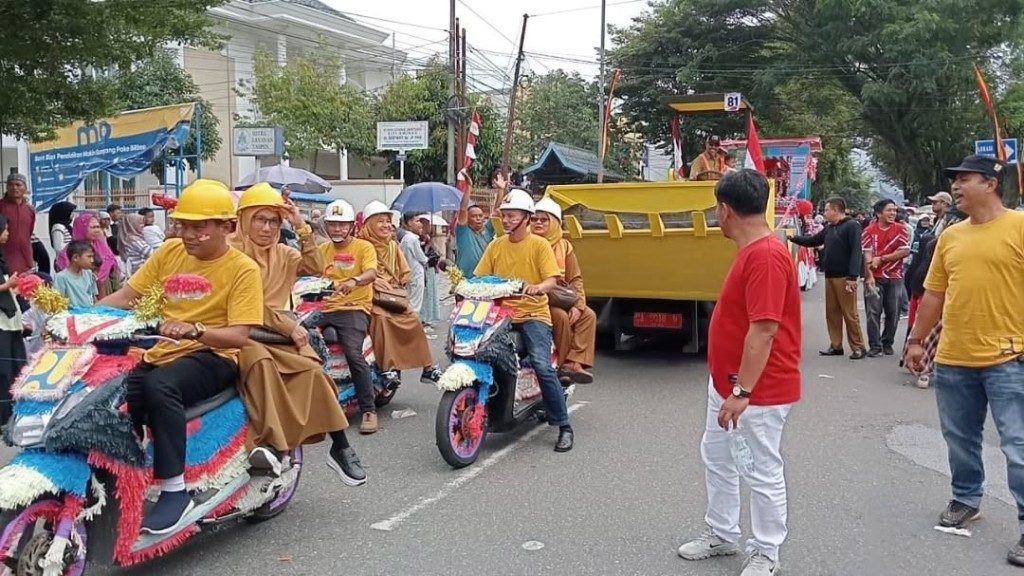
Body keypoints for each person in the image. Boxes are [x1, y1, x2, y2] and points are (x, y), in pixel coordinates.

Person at [98, 179, 264, 535]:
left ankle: (175, 490)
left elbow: (239, 336)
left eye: (199, 227)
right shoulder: (169, 252)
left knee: (160, 387)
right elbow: (127, 296)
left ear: (228, 227)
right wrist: (79, 317)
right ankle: (125, 471)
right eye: (183, 225)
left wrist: (195, 330)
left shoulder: (243, 269)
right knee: (111, 391)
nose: (187, 234)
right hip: (163, 351)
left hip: (214, 354)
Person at [677, 170, 801, 576]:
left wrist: (743, 391)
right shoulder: (754, 251)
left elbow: (764, 331)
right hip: (730, 385)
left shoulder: (765, 256)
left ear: (725, 210)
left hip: (756, 390)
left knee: (761, 470)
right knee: (718, 457)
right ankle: (722, 531)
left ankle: (767, 550)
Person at [903, 155, 1024, 567]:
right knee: (959, 439)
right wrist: (916, 341)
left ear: (991, 183)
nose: (956, 186)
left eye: (964, 179)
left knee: (1018, 445)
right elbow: (934, 294)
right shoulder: (951, 236)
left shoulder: (1019, 227)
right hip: (954, 357)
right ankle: (966, 498)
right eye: (954, 181)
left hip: (1010, 357)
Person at [230, 184, 365, 485]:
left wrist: (301, 225)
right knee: (261, 364)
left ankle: (341, 446)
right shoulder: (230, 253)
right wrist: (288, 326)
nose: (267, 228)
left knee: (315, 373)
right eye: (260, 219)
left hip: (278, 333)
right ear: (245, 219)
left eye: (274, 221)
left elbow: (316, 266)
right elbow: (247, 305)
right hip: (241, 332)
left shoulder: (283, 253)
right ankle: (270, 444)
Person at [474, 188, 574, 452]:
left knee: (542, 365)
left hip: (533, 314)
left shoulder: (539, 245)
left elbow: (552, 279)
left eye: (512, 215)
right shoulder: (496, 245)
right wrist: (464, 285)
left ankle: (564, 425)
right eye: (504, 215)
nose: (506, 220)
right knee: (476, 352)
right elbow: (480, 276)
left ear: (526, 217)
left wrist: (539, 287)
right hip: (499, 314)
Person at [358, 201, 441, 389]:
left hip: (391, 295)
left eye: (388, 221)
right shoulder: (360, 246)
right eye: (380, 221)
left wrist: (394, 284)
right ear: (369, 224)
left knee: (413, 319)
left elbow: (404, 272)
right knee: (380, 320)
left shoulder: (392, 245)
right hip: (369, 295)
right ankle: (388, 368)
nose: (386, 226)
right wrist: (372, 281)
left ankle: (428, 368)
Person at [317, 200, 381, 434]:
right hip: (322, 307)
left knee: (353, 354)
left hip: (354, 308)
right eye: (332, 224)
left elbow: (371, 273)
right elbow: (308, 273)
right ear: (326, 226)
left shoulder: (364, 247)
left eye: (342, 225)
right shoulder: (322, 250)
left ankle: (369, 410)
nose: (337, 229)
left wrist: (355, 281)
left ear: (352, 226)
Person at [789, 197, 866, 359]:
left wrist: (853, 276)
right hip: (830, 275)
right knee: (832, 313)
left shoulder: (852, 226)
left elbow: (856, 252)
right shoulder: (829, 228)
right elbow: (814, 241)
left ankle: (858, 346)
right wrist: (793, 238)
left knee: (850, 313)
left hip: (845, 276)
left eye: (827, 210)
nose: (825, 213)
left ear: (836, 210)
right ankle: (836, 344)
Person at [532, 198, 597, 384]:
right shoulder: (529, 243)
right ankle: (561, 367)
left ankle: (574, 362)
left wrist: (578, 305)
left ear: (554, 223)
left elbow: (575, 279)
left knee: (588, 315)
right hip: (538, 299)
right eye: (534, 219)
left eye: (544, 220)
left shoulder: (565, 246)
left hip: (560, 296)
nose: (538, 223)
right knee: (561, 317)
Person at [861, 198, 910, 357]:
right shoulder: (868, 231)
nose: (893, 213)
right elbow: (867, 254)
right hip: (875, 277)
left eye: (894, 210)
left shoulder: (901, 229)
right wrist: (869, 277)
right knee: (872, 312)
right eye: (889, 210)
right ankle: (875, 345)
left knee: (893, 312)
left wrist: (882, 259)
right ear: (878, 213)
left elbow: (904, 251)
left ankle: (887, 342)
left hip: (895, 277)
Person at [0, 216, 26, 429]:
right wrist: (6, 285)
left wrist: (14, 287)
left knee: (16, 367)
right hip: (1, 322)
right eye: (5, 229)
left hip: (9, 317)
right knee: (3, 370)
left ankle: (14, 414)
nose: (7, 233)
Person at [455, 168, 505, 277]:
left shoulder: (488, 230)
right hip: (465, 279)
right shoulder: (463, 232)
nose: (478, 218)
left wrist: (501, 190)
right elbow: (463, 209)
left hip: (485, 278)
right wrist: (469, 187)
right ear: (467, 219)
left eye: (480, 216)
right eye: (474, 216)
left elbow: (497, 210)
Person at [56, 213, 119, 299]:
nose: (97, 230)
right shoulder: (69, 252)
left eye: (98, 227)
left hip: (105, 291)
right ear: (81, 228)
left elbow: (112, 269)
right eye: (93, 227)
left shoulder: (103, 247)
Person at [0, 174, 36, 274]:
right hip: (4, 260)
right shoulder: (1, 207)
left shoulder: (30, 210)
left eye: (18, 185)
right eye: (11, 184)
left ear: (25, 188)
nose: (14, 188)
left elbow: (29, 233)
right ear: (6, 187)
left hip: (25, 260)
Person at [398, 212, 428, 315]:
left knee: (410, 301)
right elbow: (422, 258)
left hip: (410, 273)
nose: (420, 224)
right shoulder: (412, 239)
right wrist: (428, 258)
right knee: (415, 304)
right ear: (410, 223)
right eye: (417, 221)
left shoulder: (406, 238)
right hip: (415, 273)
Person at [53, 240, 98, 308]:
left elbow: (94, 297)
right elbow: (58, 303)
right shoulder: (61, 277)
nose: (92, 260)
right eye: (89, 257)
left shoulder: (89, 274)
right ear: (75, 258)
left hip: (89, 313)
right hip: (72, 313)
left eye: (92, 257)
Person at [417, 214, 442, 328]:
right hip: (424, 268)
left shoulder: (427, 237)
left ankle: (428, 317)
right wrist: (427, 246)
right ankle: (422, 317)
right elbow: (422, 255)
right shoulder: (417, 238)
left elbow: (437, 252)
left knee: (431, 293)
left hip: (431, 268)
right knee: (425, 294)